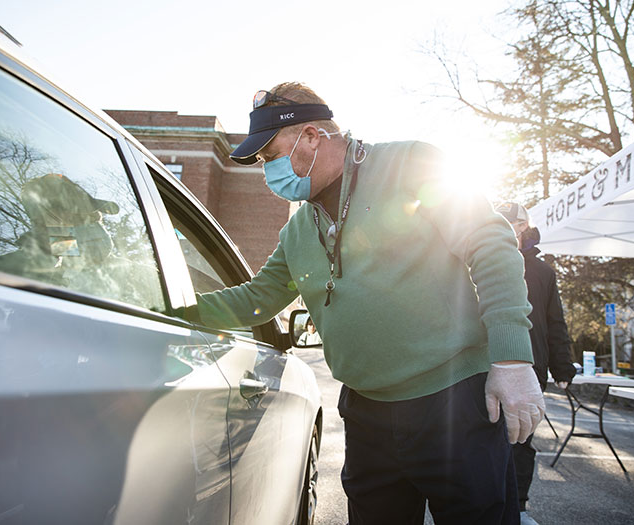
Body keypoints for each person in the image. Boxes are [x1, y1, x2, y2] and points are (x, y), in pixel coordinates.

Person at [177, 82, 545, 524]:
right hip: (367, 413)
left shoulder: (410, 164)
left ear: (312, 136)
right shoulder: (297, 232)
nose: (267, 172)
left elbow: (491, 243)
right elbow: (257, 299)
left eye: (271, 155)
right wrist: (175, 306)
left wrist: (511, 361)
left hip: (452, 404)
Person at [496, 202, 576, 525]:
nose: (508, 228)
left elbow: (555, 322)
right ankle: (485, 505)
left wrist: (563, 366)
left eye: (514, 223)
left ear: (525, 226)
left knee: (521, 442)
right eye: (502, 222)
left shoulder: (543, 272)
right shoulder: (480, 262)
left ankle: (518, 507)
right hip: (488, 367)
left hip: (531, 368)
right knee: (484, 442)